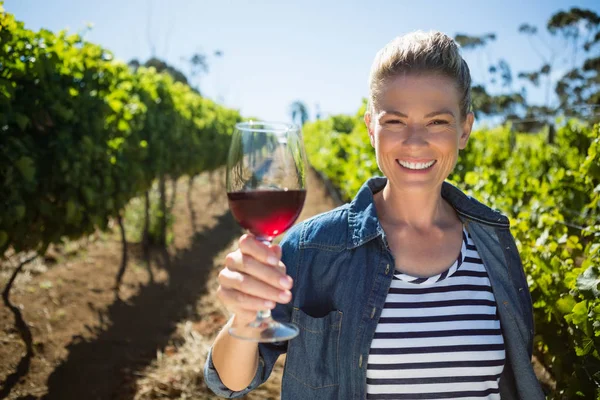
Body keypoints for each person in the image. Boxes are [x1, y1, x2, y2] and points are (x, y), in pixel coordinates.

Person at [204, 30, 545, 400]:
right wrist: (243, 317)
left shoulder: (493, 243)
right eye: (395, 121)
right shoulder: (313, 248)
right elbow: (230, 383)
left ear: (464, 129)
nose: (415, 141)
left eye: (437, 122)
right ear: (371, 128)